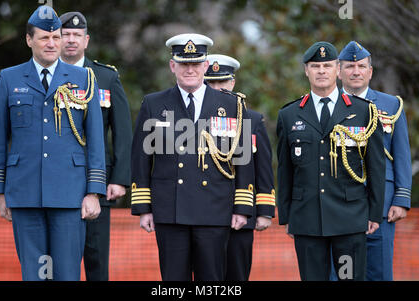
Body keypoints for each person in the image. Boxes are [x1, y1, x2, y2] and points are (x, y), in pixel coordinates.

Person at [0, 6, 106, 281]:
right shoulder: (9, 78)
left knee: (66, 274)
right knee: (35, 274)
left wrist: (94, 191)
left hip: (70, 194)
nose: (52, 43)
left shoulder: (84, 79)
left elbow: (96, 140)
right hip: (25, 192)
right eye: (44, 38)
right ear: (29, 40)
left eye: (56, 37)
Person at [130, 33, 254, 281]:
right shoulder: (154, 104)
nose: (190, 69)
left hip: (215, 209)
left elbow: (243, 161)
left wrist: (242, 207)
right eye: (183, 64)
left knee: (212, 281)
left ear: (205, 66)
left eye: (195, 64)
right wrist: (143, 208)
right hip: (170, 210)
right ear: (172, 65)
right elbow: (141, 159)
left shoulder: (232, 106)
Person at [276, 41, 385, 280]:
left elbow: (375, 166)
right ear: (306, 70)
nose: (321, 71)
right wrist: (286, 216)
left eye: (327, 65)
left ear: (337, 69)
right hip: (307, 218)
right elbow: (285, 170)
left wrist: (375, 213)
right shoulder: (289, 114)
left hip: (350, 218)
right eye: (315, 66)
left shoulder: (363, 111)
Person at [59, 11, 132, 281]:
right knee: (59, 259)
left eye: (77, 35)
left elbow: (123, 132)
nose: (70, 40)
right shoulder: (46, 77)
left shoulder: (106, 78)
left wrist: (120, 179)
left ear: (86, 40)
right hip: (58, 179)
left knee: (96, 258)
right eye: (65, 34)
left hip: (97, 180)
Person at [337, 41, 412, 281]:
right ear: (339, 72)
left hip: (382, 206)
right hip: (338, 203)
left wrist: (401, 198)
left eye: (361, 66)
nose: (356, 71)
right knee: (340, 273)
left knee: (378, 272)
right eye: (350, 66)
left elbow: (401, 154)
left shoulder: (391, 105)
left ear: (370, 71)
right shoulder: (328, 105)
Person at [204, 54, 275, 280]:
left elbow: (263, 169)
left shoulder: (252, 120)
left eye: (222, 82)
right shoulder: (194, 120)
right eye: (210, 83)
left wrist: (264, 211)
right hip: (202, 215)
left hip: (240, 215)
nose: (216, 88)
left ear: (232, 83)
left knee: (237, 276)